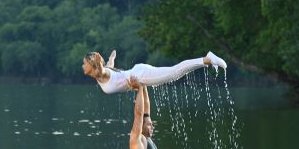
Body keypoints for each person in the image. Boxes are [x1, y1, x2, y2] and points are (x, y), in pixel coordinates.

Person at [82, 50, 227, 94]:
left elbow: (103, 69)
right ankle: (207, 62)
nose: (82, 66)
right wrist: (111, 58)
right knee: (174, 73)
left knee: (174, 73)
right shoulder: (99, 76)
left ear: (92, 64)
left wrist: (100, 60)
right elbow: (109, 67)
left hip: (140, 75)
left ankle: (207, 60)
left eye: (84, 63)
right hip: (138, 71)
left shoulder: (99, 74)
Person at [128, 81, 159, 149]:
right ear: (141, 125)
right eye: (149, 125)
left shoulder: (147, 139)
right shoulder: (137, 139)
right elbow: (139, 114)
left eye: (152, 125)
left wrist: (144, 83)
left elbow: (146, 108)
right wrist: (140, 89)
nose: (152, 127)